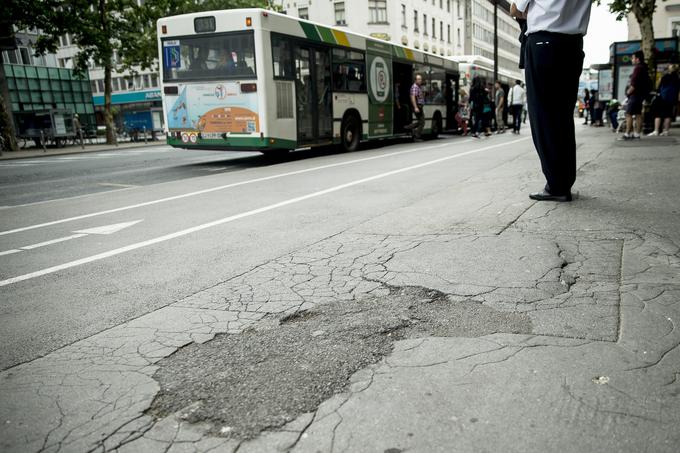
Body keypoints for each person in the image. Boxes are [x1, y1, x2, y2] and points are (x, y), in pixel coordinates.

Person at [511, 0, 592, 202]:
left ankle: (556, 185)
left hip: (543, 43)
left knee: (543, 117)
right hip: (573, 45)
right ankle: (563, 182)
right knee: (563, 116)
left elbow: (516, 9)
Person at [620, 50, 651, 140]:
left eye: (633, 58)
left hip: (635, 95)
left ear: (637, 59)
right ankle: (637, 134)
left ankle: (627, 134)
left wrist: (628, 92)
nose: (632, 59)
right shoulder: (644, 67)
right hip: (641, 95)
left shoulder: (638, 68)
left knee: (628, 114)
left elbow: (634, 83)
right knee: (638, 114)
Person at [648, 64, 680, 136]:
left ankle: (656, 131)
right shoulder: (677, 78)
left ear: (669, 70)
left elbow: (659, 88)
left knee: (658, 114)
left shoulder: (665, 77)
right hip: (671, 99)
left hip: (662, 98)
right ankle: (666, 131)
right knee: (668, 115)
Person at [404, 74, 425, 141]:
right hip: (417, 106)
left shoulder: (419, 87)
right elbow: (412, 97)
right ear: (415, 80)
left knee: (421, 122)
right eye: (418, 79)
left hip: (420, 106)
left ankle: (408, 127)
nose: (420, 80)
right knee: (422, 122)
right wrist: (415, 107)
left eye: (420, 79)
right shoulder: (415, 87)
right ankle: (416, 136)